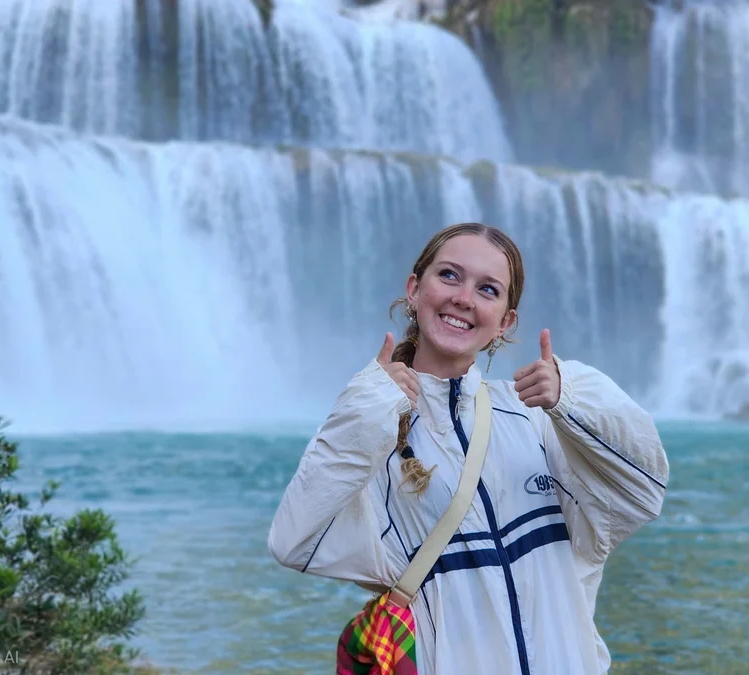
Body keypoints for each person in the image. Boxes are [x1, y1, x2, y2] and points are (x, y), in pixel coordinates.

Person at [268, 222, 669, 674]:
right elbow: (293, 542)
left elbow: (643, 492)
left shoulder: (537, 419)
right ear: (415, 289)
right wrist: (365, 410)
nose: (464, 298)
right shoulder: (373, 432)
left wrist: (575, 400)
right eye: (450, 276)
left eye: (488, 289)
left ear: (506, 321)